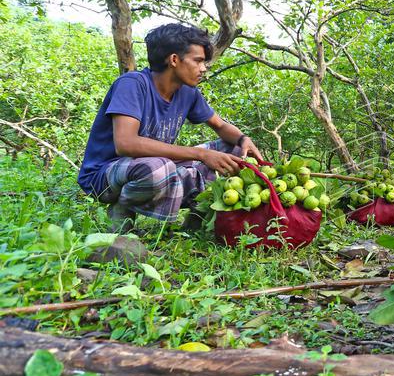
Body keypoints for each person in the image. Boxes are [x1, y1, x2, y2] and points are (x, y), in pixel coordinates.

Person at [77, 24, 264, 232]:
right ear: (174, 60)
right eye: (198, 61)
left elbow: (220, 125)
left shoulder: (188, 92)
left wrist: (242, 139)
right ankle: (121, 213)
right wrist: (200, 154)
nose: (204, 68)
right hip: (104, 175)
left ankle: (196, 220)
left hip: (158, 165)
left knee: (232, 151)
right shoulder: (132, 84)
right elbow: (125, 144)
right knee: (158, 168)